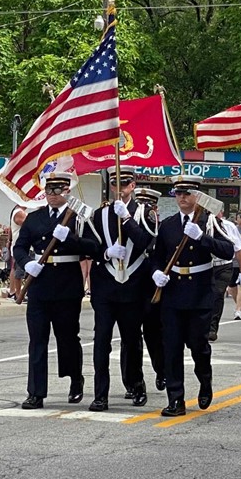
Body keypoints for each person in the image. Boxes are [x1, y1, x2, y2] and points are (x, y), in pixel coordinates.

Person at [150, 175, 235, 416]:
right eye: (178, 193)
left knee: (199, 347)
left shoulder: (209, 222)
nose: (182, 198)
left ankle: (205, 382)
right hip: (174, 294)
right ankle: (176, 399)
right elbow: (157, 256)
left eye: (187, 193)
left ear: (197, 196)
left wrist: (202, 237)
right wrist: (156, 273)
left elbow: (228, 250)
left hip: (199, 294)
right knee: (172, 348)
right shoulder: (167, 225)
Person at [14, 172, 98, 410]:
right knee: (37, 340)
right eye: (49, 191)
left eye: (58, 190)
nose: (52, 195)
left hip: (66, 284)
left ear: (67, 191)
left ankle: (75, 380)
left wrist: (70, 239)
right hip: (40, 284)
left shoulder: (80, 218)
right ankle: (36, 392)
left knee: (68, 339)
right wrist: (26, 262)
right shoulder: (35, 218)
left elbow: (94, 248)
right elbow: (19, 247)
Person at [85, 166, 157, 410]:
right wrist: (105, 252)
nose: (120, 188)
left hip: (134, 286)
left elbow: (147, 242)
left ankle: (136, 385)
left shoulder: (145, 212)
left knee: (132, 340)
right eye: (116, 183)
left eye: (125, 183)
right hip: (105, 285)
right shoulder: (99, 214)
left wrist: (126, 219)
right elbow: (89, 245)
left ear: (133, 185)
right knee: (101, 341)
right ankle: (100, 394)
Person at [129, 187, 166, 391]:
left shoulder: (154, 222)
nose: (144, 208)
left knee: (154, 334)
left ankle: (162, 372)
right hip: (130, 282)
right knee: (130, 336)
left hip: (151, 284)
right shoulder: (127, 219)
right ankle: (132, 380)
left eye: (148, 204)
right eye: (140, 202)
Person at [208, 210, 241, 341]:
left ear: (221, 213)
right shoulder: (201, 224)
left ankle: (212, 328)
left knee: (218, 294)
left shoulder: (228, 226)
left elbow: (238, 249)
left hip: (223, 265)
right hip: (206, 265)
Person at [7, 204, 28, 300]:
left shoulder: (20, 212)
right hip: (21, 246)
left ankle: (15, 292)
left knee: (16, 269)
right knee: (18, 271)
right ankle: (18, 294)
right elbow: (28, 226)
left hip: (21, 245)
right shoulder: (19, 212)